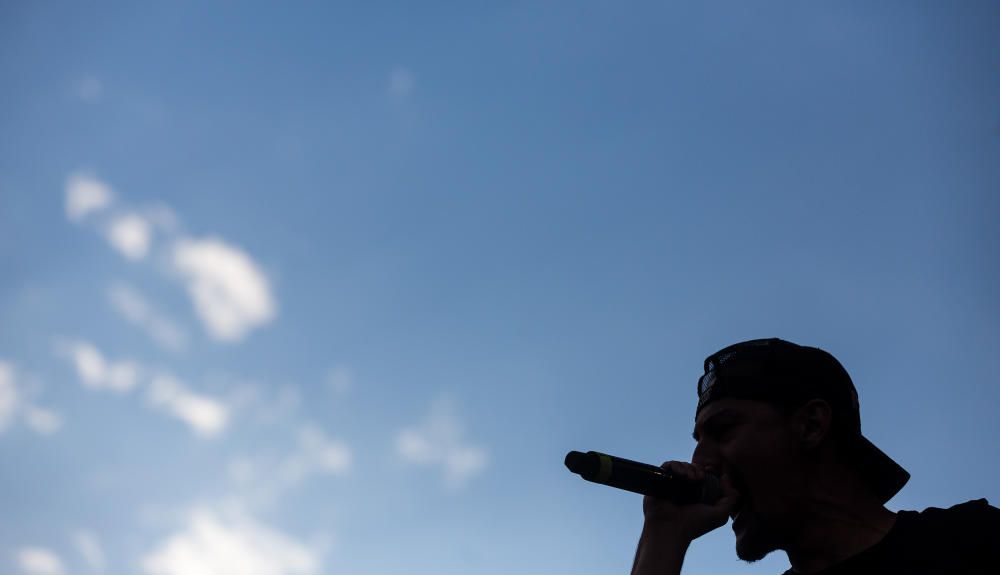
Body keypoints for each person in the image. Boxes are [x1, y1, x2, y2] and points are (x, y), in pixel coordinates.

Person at [631, 337, 999, 575]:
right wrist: (662, 536)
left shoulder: (972, 541)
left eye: (724, 431)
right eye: (698, 440)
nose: (700, 463)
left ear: (810, 425)